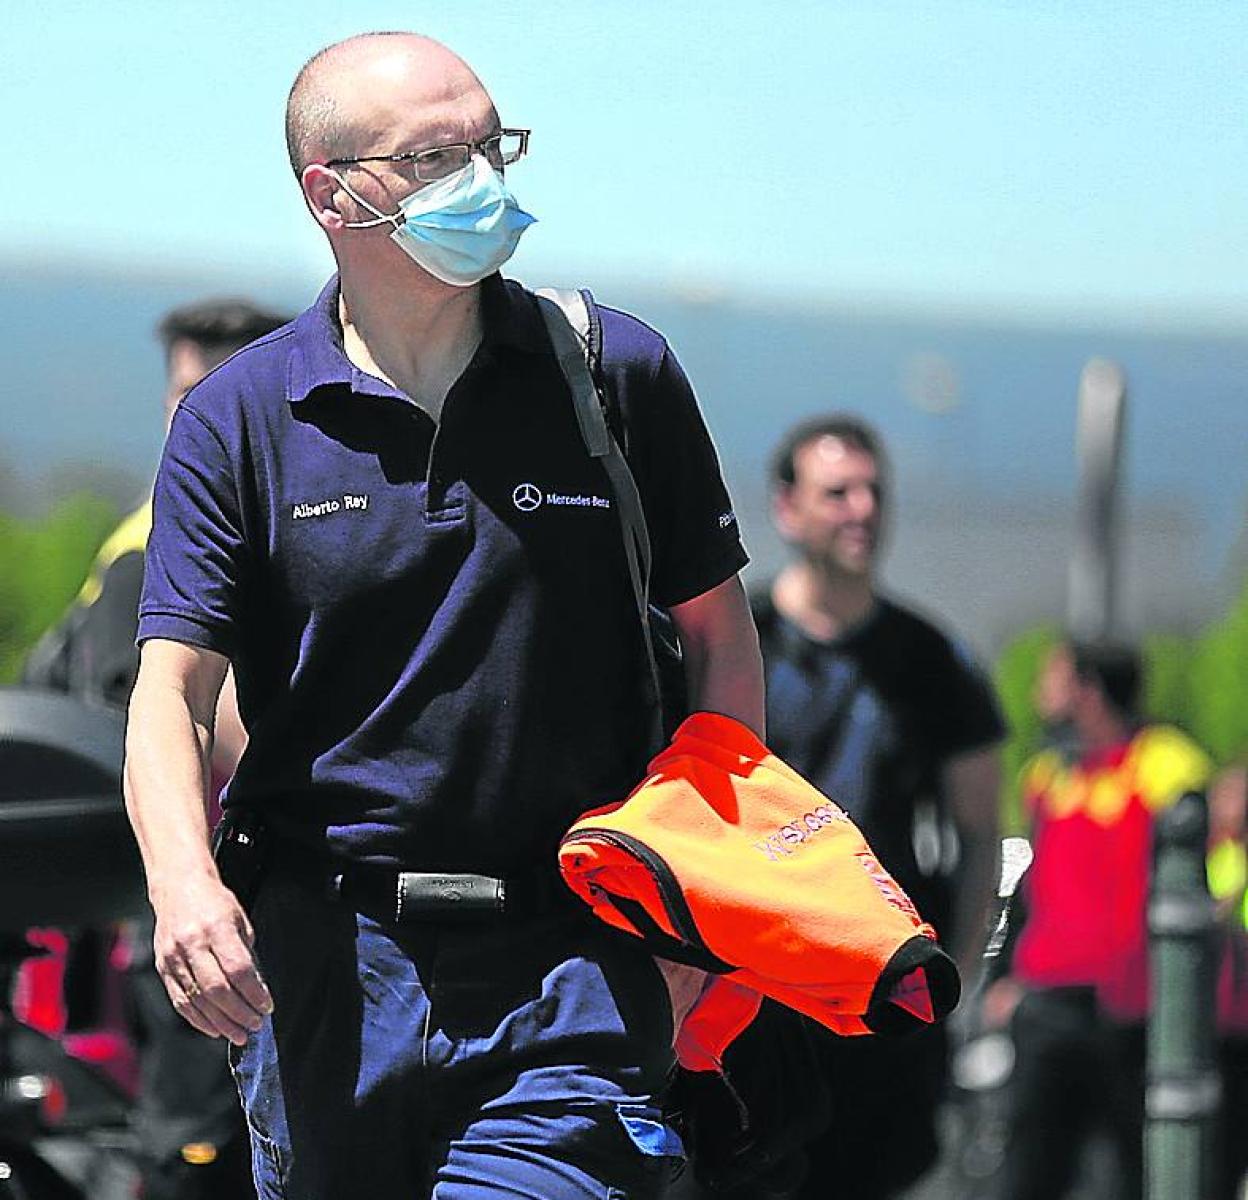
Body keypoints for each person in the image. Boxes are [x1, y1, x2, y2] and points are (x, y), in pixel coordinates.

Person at [123, 31, 763, 1200]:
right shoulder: (237, 419)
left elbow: (720, 640)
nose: (483, 178)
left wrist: (704, 898)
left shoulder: (617, 376)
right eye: (434, 155)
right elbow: (170, 693)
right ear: (332, 195)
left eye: (490, 142)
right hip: (326, 973)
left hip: (576, 955)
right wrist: (182, 886)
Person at [23, 298, 288, 1200]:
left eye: (220, 392)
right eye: (185, 394)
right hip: (164, 925)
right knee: (188, 1163)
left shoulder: (284, 536)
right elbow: (133, 734)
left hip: (243, 921)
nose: (198, 417)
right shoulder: (148, 549)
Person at [748, 414, 1004, 1199]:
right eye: (837, 492)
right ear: (789, 508)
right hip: (754, 998)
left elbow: (978, 834)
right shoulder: (739, 644)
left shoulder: (931, 660)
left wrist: (954, 977)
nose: (861, 509)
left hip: (884, 1000)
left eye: (873, 492)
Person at [985, 639, 1213, 1200]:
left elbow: (1191, 853)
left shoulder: (1162, 761)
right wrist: (1004, 979)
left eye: (1054, 676)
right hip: (1047, 1002)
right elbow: (1028, 891)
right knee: (1029, 1170)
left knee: (1134, 1169)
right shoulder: (1048, 775)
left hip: (1132, 1005)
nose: (1042, 690)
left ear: (1088, 689)